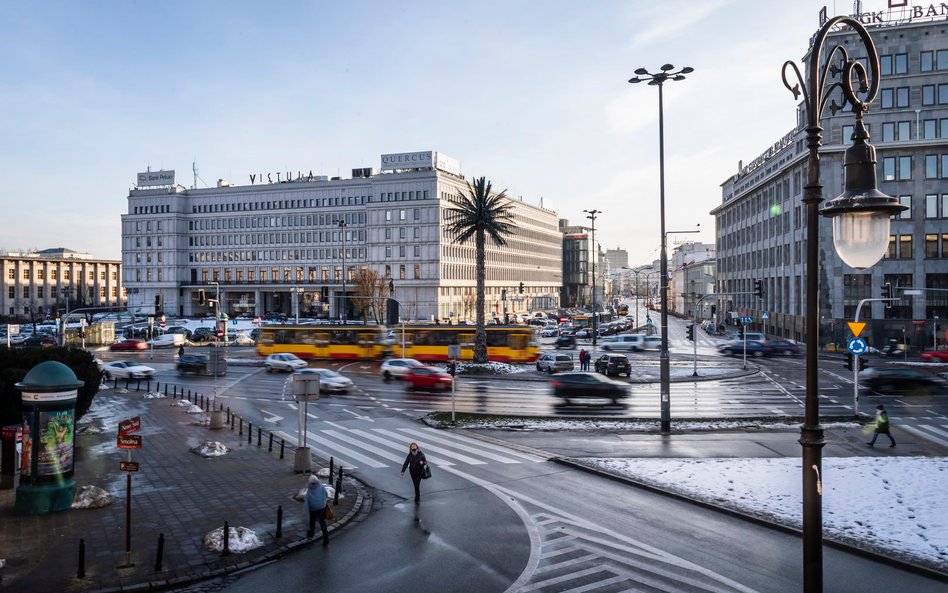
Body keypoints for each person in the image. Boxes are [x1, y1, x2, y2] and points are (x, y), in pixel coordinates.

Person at [303, 474, 330, 544]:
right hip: (322, 507)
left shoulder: (309, 489)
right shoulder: (321, 486)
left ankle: (311, 534)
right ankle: (326, 538)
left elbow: (306, 500)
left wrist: (305, 511)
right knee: (322, 522)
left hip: (313, 508)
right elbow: (327, 494)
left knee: (312, 521)